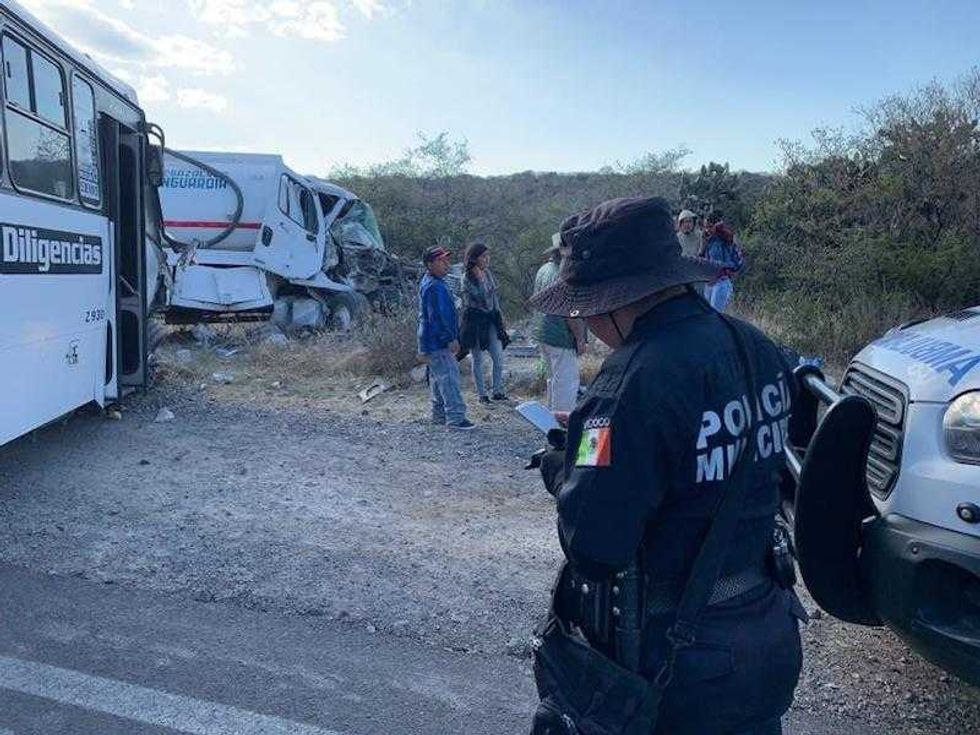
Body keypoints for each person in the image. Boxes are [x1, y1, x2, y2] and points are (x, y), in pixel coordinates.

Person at [530, 196, 803, 735]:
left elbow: (594, 546)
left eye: (585, 308)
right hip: (768, 631)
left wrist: (565, 469)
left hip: (682, 666)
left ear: (616, 300)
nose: (588, 322)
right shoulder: (755, 347)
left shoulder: (629, 382)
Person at [417, 246, 475, 430]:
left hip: (429, 340)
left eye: (446, 260)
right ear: (429, 264)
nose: (446, 264)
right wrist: (450, 338)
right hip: (438, 341)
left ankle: (439, 415)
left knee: (438, 378)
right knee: (449, 378)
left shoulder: (431, 281)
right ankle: (456, 418)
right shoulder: (435, 286)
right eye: (440, 261)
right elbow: (437, 318)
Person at [533, 234, 586, 413]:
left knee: (553, 379)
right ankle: (562, 421)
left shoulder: (543, 270)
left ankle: (550, 418)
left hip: (543, 332)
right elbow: (571, 312)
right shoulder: (565, 275)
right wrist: (580, 338)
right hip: (560, 336)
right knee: (567, 382)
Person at [459, 242, 510, 404]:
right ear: (474, 258)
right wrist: (480, 279)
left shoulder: (488, 273)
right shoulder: (466, 278)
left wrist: (500, 316)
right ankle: (482, 394)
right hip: (475, 321)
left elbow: (493, 296)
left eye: (488, 256)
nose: (487, 259)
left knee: (498, 356)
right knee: (478, 358)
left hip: (491, 319)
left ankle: (497, 390)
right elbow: (479, 296)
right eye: (483, 256)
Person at [703, 221, 744, 311]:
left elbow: (733, 263)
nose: (707, 230)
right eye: (706, 227)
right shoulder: (710, 242)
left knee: (714, 314)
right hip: (711, 282)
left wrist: (723, 268)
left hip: (720, 282)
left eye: (709, 227)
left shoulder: (721, 242)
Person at [676, 209, 706, 298]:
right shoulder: (676, 238)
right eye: (685, 222)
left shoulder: (701, 236)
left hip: (698, 276)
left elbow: (703, 254)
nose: (687, 224)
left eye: (689, 221)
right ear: (680, 224)